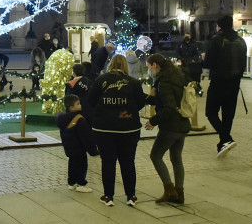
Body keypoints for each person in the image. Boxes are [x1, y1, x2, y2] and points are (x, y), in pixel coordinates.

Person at [88, 54, 146, 207]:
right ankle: (131, 196)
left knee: (108, 162)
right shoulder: (133, 82)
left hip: (104, 128)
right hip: (129, 128)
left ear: (110, 64)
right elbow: (140, 103)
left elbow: (90, 101)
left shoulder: (101, 80)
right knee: (128, 162)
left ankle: (108, 196)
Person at [144, 53, 191, 205]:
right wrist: (147, 99)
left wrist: (153, 121)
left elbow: (169, 108)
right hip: (182, 124)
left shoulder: (163, 82)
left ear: (155, 65)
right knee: (176, 158)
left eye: (149, 67)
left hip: (171, 126)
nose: (149, 70)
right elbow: (166, 100)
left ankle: (170, 190)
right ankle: (179, 193)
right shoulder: (176, 76)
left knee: (156, 156)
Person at [202, 14, 247, 158]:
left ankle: (226, 138)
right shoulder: (241, 41)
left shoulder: (216, 40)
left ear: (219, 26)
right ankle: (222, 144)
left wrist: (203, 59)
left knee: (210, 112)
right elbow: (243, 64)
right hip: (234, 84)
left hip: (218, 82)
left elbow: (208, 63)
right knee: (228, 115)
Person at [56, 94, 98, 194]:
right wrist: (93, 150)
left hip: (70, 148)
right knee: (82, 166)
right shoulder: (79, 120)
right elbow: (86, 137)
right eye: (78, 104)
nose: (80, 105)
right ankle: (81, 184)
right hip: (80, 149)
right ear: (71, 107)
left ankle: (71, 183)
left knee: (72, 165)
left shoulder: (63, 120)